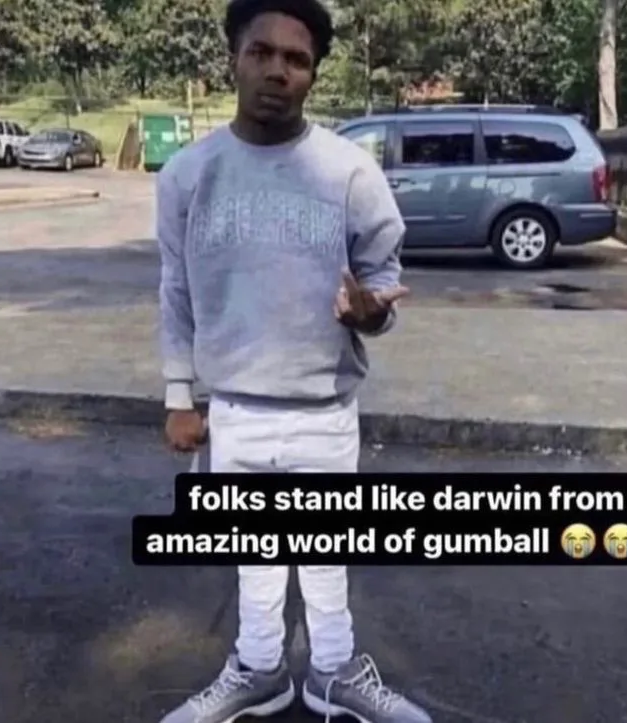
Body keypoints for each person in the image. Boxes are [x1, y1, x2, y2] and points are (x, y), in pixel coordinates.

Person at [155, 0, 433, 721]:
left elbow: (383, 284)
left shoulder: (349, 173)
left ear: (313, 75)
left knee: (324, 559)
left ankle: (333, 675)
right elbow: (176, 289)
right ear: (233, 59)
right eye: (261, 52)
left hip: (324, 411)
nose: (277, 70)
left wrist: (372, 313)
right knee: (255, 562)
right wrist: (178, 395)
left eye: (296, 59)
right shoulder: (188, 175)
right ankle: (260, 671)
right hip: (235, 413)